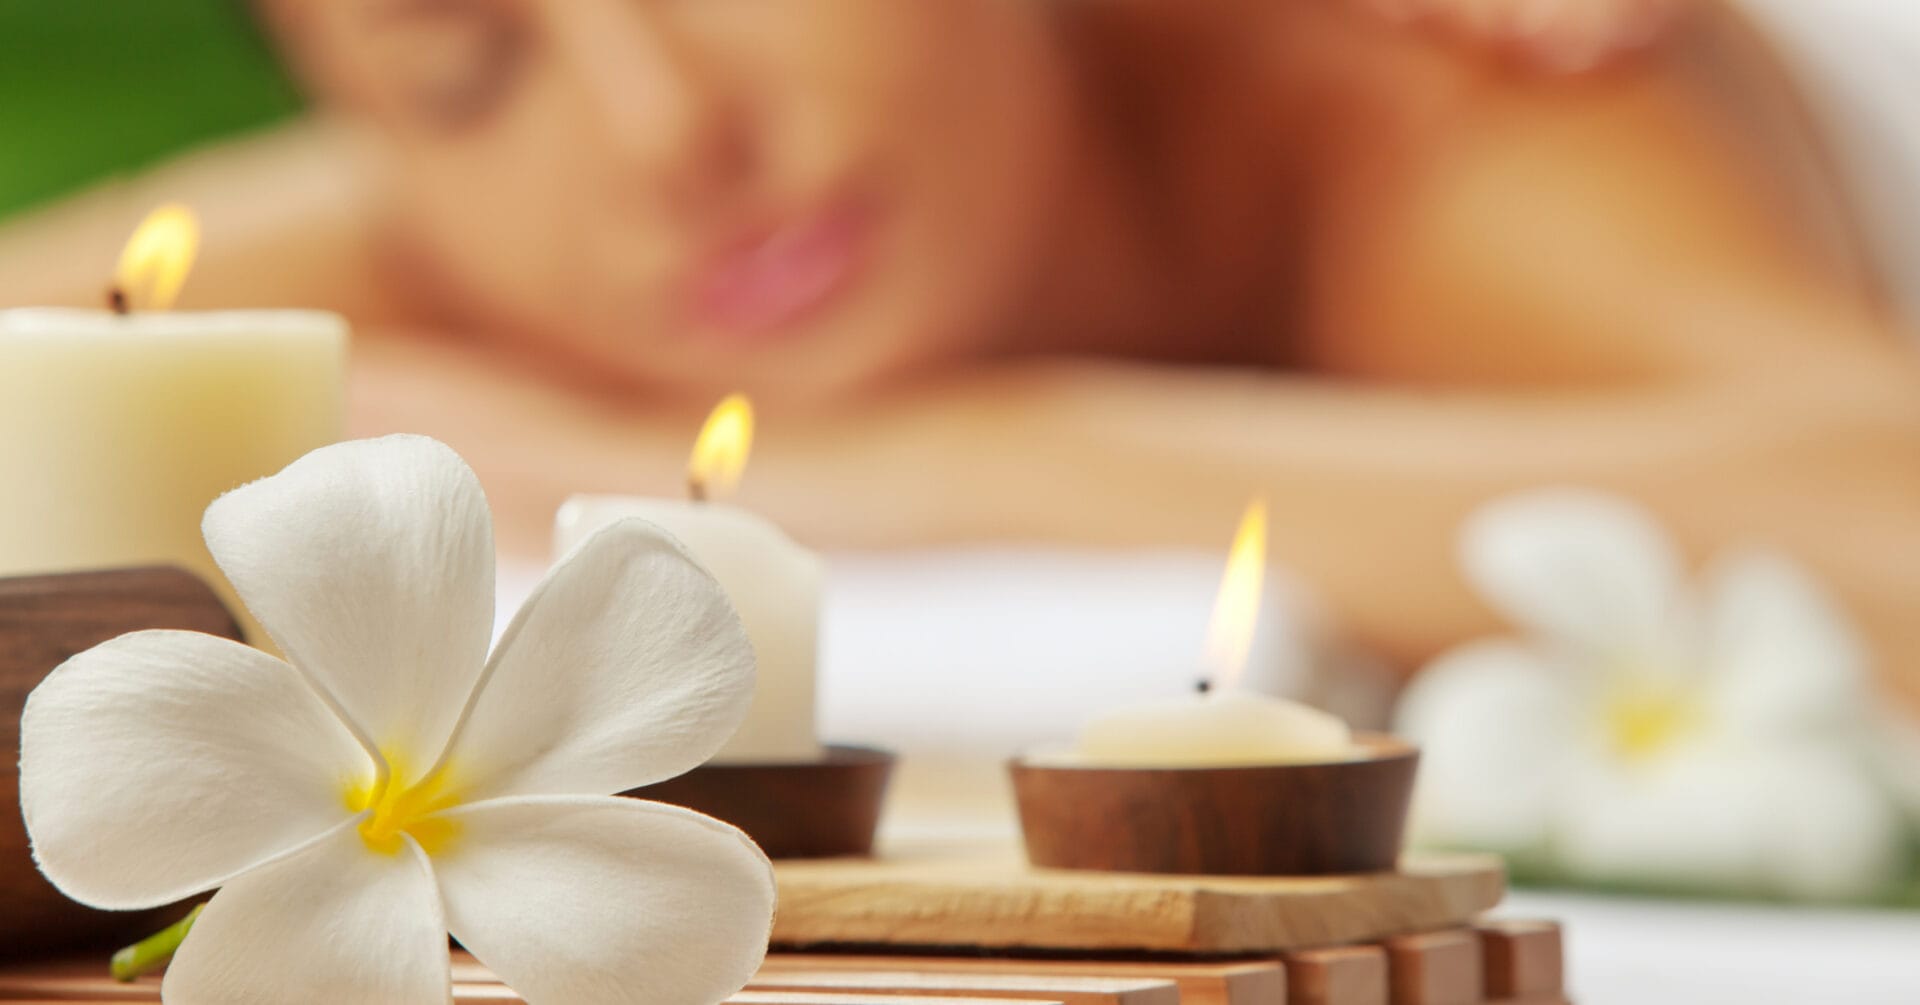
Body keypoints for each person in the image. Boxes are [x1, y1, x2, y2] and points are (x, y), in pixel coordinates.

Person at [4, 0, 1917, 714]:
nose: (665, 130)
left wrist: (932, 456)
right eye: (461, 67)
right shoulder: (465, 217)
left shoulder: (1438, 76)